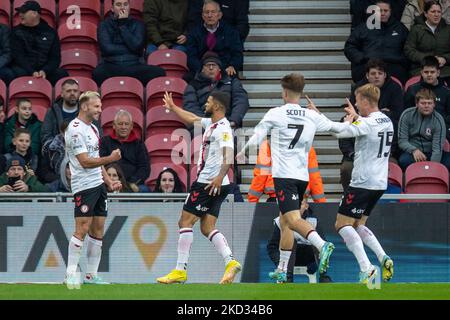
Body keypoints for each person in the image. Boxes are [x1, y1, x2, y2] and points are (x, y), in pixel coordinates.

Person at [236, 73, 354, 283]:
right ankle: (282, 269)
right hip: (302, 178)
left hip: (284, 176)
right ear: (300, 92)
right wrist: (353, 120)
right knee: (285, 223)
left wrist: (242, 151)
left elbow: (257, 135)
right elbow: (338, 130)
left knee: (292, 219)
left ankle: (322, 245)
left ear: (284, 92)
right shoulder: (311, 115)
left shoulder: (276, 113)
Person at [157, 90, 242, 285]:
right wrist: (173, 107)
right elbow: (193, 118)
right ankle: (230, 261)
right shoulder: (212, 124)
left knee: (184, 222)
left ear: (218, 106)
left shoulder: (223, 129)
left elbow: (229, 154)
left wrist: (219, 177)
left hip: (208, 182)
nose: (206, 103)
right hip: (218, 184)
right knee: (207, 227)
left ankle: (180, 270)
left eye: (209, 101)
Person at [330, 84, 394, 284]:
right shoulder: (386, 120)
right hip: (380, 182)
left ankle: (367, 269)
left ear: (366, 101)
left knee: (342, 225)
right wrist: (356, 118)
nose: (356, 103)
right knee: (358, 224)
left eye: (358, 100)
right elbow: (368, 127)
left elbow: (339, 133)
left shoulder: (367, 123)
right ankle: (383, 258)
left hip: (362, 182)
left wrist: (318, 116)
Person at [63, 91, 122, 289]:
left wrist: (109, 182)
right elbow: (85, 162)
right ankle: (70, 274)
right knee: (82, 229)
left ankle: (91, 276)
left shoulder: (94, 129)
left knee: (98, 230)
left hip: (98, 184)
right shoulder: (75, 129)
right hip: (84, 186)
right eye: (97, 106)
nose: (100, 109)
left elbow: (96, 161)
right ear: (85, 106)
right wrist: (112, 159)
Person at [93, 0, 166, 86]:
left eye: (125, 4)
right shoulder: (104, 25)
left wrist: (122, 25)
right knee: (97, 73)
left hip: (134, 65)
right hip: (111, 65)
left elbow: (137, 46)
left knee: (159, 72)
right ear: (112, 8)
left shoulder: (138, 24)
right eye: (119, 5)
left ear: (129, 7)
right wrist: (129, 49)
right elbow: (107, 49)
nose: (122, 7)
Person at [266, 197, 333, 283]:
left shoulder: (313, 221)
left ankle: (324, 276)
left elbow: (324, 249)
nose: (296, 208)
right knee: (291, 242)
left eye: (300, 204)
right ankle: (287, 277)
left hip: (308, 257)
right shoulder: (280, 221)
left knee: (319, 244)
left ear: (306, 206)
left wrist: (315, 264)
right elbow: (272, 247)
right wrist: (279, 262)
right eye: (294, 205)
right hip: (287, 257)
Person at [345, 0, 410, 84]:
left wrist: (401, 61)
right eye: (379, 10)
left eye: (386, 11)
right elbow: (350, 46)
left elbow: (409, 47)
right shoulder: (363, 28)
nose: (382, 13)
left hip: (394, 68)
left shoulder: (400, 29)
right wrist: (362, 58)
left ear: (390, 12)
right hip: (368, 66)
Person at [183, 51, 249, 130]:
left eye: (214, 65)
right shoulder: (193, 85)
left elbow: (241, 101)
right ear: (203, 69)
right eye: (208, 65)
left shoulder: (232, 82)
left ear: (219, 69)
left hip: (228, 124)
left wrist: (233, 121)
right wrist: (207, 123)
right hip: (202, 127)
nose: (211, 68)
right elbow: (191, 106)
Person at [248, 140, 326, 203]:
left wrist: (252, 201)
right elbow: (314, 178)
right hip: (299, 199)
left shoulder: (269, 145)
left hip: (277, 198)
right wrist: (321, 204)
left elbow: (260, 176)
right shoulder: (306, 147)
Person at [10, 1, 68, 85]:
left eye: (23, 12)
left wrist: (45, 71)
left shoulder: (50, 32)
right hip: (24, 68)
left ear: (34, 13)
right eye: (20, 12)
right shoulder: (16, 32)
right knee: (16, 73)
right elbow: (18, 56)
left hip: (44, 69)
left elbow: (55, 58)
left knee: (61, 74)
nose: (20, 14)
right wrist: (32, 71)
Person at [186, 0, 243, 79]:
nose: (209, 15)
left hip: (224, 69)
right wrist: (201, 69)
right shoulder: (194, 33)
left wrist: (232, 65)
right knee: (188, 77)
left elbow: (237, 54)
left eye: (213, 12)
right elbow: (191, 57)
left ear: (219, 15)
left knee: (232, 76)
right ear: (202, 16)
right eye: (206, 12)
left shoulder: (231, 32)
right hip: (202, 69)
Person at [398, 88, 449, 171]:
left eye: (429, 103)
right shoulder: (406, 115)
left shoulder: (438, 120)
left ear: (434, 105)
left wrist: (432, 168)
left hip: (432, 152)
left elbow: (437, 149)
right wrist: (414, 150)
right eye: (423, 103)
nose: (426, 106)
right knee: (404, 160)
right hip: (413, 152)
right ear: (417, 104)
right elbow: (402, 141)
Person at [99, 109, 150, 192]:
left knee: (144, 190)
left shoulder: (139, 144)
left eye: (126, 124)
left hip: (131, 184)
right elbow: (100, 162)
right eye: (120, 124)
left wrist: (132, 182)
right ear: (114, 125)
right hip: (108, 182)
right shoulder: (105, 142)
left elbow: (145, 168)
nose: (123, 127)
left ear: (131, 126)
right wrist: (109, 180)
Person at [41, 79, 102, 146]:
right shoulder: (52, 111)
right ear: (62, 94)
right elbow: (45, 136)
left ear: (79, 93)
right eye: (68, 91)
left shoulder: (88, 111)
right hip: (59, 152)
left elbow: (98, 134)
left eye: (75, 91)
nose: (72, 93)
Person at [404, 56, 450, 140]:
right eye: (426, 72)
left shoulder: (446, 92)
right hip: (416, 129)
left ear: (438, 73)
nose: (429, 75)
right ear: (421, 72)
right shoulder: (412, 89)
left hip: (441, 129)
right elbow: (406, 113)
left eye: (432, 72)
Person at [404, 1, 450, 81]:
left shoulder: (448, 30)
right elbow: (409, 50)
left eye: (439, 12)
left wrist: (445, 58)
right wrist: (428, 59)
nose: (436, 14)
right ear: (425, 14)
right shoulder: (416, 29)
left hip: (445, 70)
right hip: (421, 69)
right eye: (433, 12)